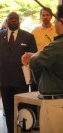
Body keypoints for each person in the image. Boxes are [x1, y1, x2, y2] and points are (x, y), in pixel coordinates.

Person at [0, 12, 37, 133]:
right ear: (7, 20)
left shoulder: (28, 37)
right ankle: (11, 130)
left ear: (19, 21)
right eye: (11, 18)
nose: (14, 20)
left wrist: (33, 79)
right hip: (4, 80)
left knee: (23, 109)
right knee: (8, 109)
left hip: (21, 81)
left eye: (16, 18)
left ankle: (23, 130)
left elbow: (34, 60)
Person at [21, 4, 63, 133]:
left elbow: (34, 63)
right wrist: (38, 53)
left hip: (55, 103)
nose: (54, 22)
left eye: (55, 19)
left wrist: (34, 55)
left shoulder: (58, 44)